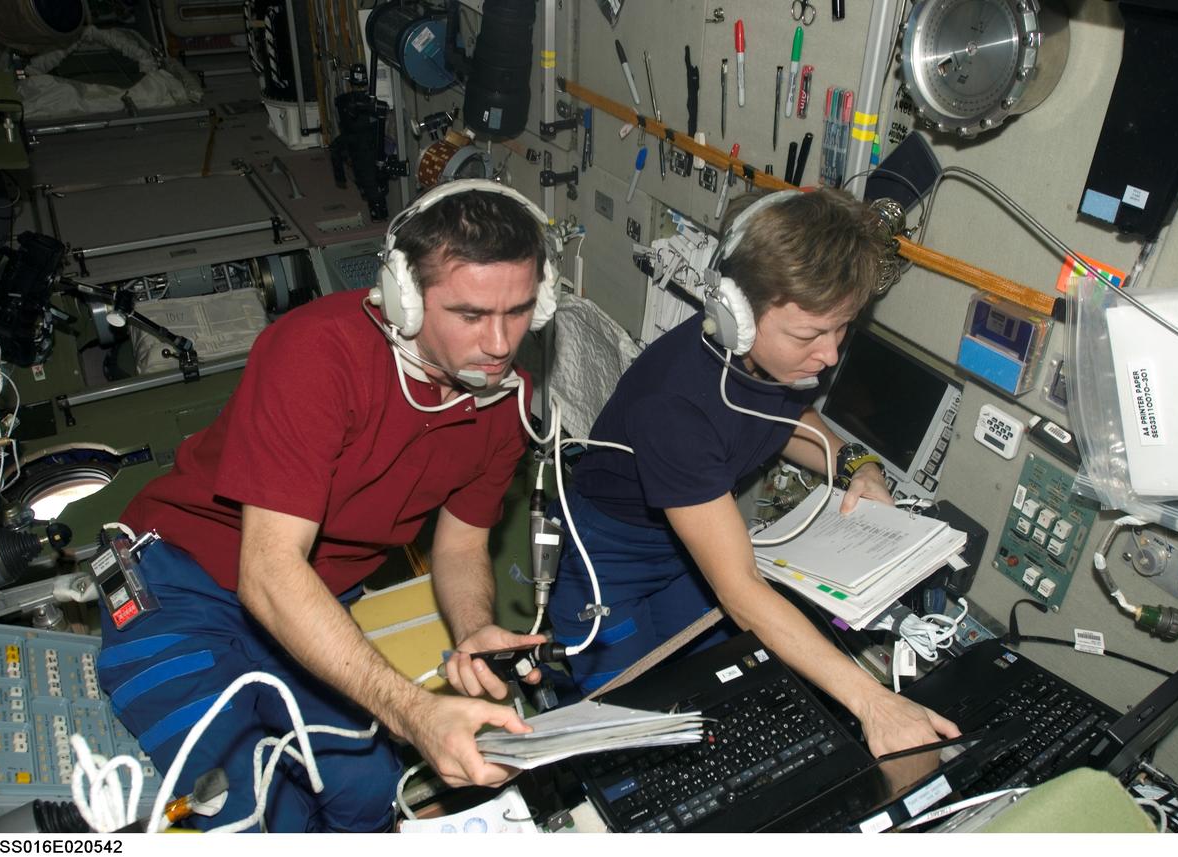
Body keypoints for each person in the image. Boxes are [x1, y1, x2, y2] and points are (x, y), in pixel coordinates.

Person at [95, 180, 556, 831]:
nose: (501, 343)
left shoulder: (506, 399)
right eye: (472, 315)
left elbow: (460, 545)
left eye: (520, 311)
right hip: (181, 584)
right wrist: (412, 712)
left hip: (313, 598)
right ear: (405, 297)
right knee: (247, 809)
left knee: (368, 793)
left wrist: (474, 628)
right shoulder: (317, 353)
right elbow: (269, 571)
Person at [547, 188, 959, 756]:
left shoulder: (769, 364)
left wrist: (857, 466)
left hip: (685, 556)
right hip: (609, 567)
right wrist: (873, 702)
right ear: (735, 315)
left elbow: (786, 418)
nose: (829, 356)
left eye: (842, 329)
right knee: (633, 739)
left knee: (723, 698)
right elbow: (739, 588)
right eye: (809, 336)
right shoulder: (674, 408)